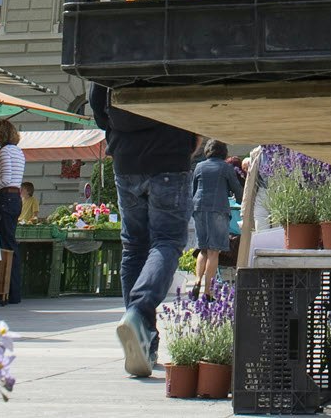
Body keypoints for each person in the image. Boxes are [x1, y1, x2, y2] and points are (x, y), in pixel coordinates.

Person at [90, 81, 200, 378]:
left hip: (125, 158)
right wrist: (192, 138)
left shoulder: (108, 42)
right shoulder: (170, 37)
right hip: (169, 151)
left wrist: (115, 134)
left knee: (134, 247)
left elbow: (97, 99)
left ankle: (143, 340)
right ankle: (138, 313)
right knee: (167, 241)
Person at [191, 141, 242, 299]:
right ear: (223, 152)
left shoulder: (199, 166)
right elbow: (236, 189)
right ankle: (208, 291)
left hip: (199, 208)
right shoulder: (225, 167)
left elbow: (193, 189)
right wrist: (242, 201)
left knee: (203, 249)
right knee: (214, 251)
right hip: (218, 209)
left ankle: (197, 280)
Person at [0, 119, 26, 305]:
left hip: (5, 199)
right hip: (15, 199)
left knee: (5, 244)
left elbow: (5, 180)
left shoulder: (4, 151)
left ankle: (7, 291)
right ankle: (13, 291)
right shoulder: (18, 151)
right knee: (10, 243)